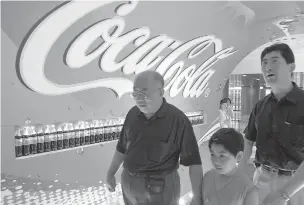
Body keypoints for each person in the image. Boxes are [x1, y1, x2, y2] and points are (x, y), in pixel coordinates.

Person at [106, 70, 204, 205]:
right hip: (129, 185)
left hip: (160, 189)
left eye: (145, 93)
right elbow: (122, 147)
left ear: (160, 92)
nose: (139, 98)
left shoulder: (178, 120)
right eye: (136, 93)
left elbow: (194, 162)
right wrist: (110, 173)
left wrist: (197, 197)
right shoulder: (132, 114)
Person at [238, 43, 304, 205]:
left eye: (275, 61)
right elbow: (248, 140)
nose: (267, 67)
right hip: (262, 178)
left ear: (291, 67)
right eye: (264, 63)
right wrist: (239, 173)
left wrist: (284, 194)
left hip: (297, 183)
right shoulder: (260, 106)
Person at [202, 128, 258, 205]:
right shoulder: (207, 177)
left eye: (222, 156)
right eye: (213, 154)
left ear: (238, 156)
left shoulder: (248, 190)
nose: (216, 161)